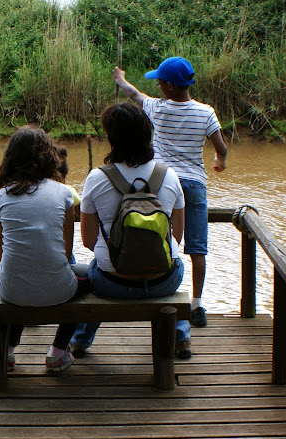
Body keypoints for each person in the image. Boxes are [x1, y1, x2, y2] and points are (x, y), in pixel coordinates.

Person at [68, 102, 191, 359]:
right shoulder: (170, 176)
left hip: (112, 283)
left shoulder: (97, 178)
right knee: (176, 264)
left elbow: (88, 241)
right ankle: (180, 335)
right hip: (163, 281)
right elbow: (176, 238)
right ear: (148, 135)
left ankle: (80, 340)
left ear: (112, 139)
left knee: (91, 272)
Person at [112, 56, 228, 328]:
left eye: (161, 82)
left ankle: (162, 292)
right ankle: (197, 304)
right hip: (195, 185)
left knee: (163, 239)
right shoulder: (206, 112)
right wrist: (219, 162)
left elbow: (134, 95)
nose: (158, 86)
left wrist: (120, 79)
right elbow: (221, 148)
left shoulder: (157, 108)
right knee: (198, 249)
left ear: (170, 87)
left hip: (165, 183)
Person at [0, 126, 89, 372]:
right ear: (48, 156)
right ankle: (58, 351)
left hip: (12, 290)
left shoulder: (0, 197)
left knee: (17, 273)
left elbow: (3, 255)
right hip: (59, 289)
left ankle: (6, 351)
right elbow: (66, 251)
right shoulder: (63, 193)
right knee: (90, 276)